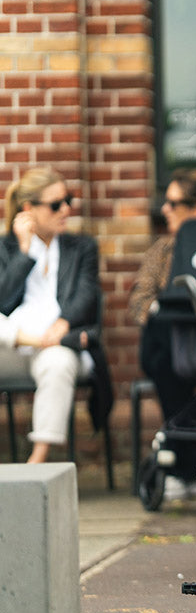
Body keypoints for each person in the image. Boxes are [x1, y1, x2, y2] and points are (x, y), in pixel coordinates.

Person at [129, 168, 196, 501]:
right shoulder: (164, 249)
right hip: (177, 348)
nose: (164, 209)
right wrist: (160, 312)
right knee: (160, 343)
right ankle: (192, 458)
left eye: (173, 203)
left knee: (161, 351)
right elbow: (139, 297)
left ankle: (185, 462)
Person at [0, 168, 101, 464]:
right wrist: (24, 251)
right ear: (28, 209)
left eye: (67, 200)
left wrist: (62, 324)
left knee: (57, 362)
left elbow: (86, 295)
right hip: (13, 347)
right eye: (56, 204)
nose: (66, 209)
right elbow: (3, 300)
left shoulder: (81, 247)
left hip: (59, 345)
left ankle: (38, 460)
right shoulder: (6, 248)